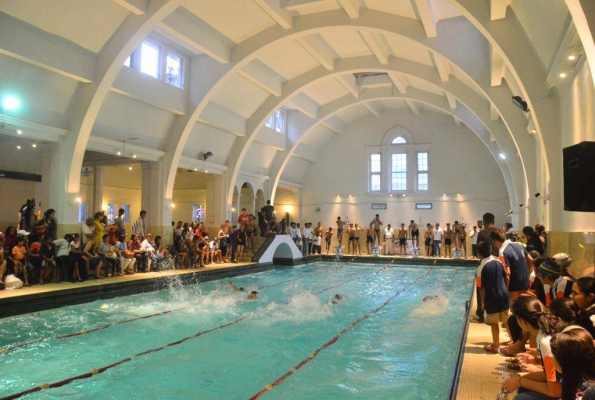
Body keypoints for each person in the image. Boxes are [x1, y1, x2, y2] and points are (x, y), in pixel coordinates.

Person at [501, 297, 564, 400]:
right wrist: (521, 376)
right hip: (570, 382)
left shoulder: (546, 342)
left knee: (521, 398)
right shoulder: (545, 333)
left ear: (523, 322)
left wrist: (520, 381)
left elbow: (554, 390)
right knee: (523, 388)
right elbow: (554, 375)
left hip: (579, 390)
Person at [477, 241, 510, 353]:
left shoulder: (481, 267)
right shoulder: (498, 261)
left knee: (494, 323)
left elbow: (482, 288)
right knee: (506, 320)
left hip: (492, 297)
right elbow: (506, 278)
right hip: (504, 295)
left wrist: (482, 303)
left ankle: (496, 346)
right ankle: (512, 340)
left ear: (479, 254)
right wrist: (505, 289)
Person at [550, 326, 595, 400]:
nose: (552, 359)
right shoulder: (572, 379)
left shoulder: (588, 393)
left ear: (565, 361)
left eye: (554, 355)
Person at [491, 230, 532, 301]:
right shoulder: (519, 245)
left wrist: (505, 290)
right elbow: (530, 259)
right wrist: (527, 274)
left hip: (513, 286)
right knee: (525, 305)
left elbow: (507, 273)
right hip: (525, 283)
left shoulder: (502, 251)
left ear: (496, 241)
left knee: (514, 305)